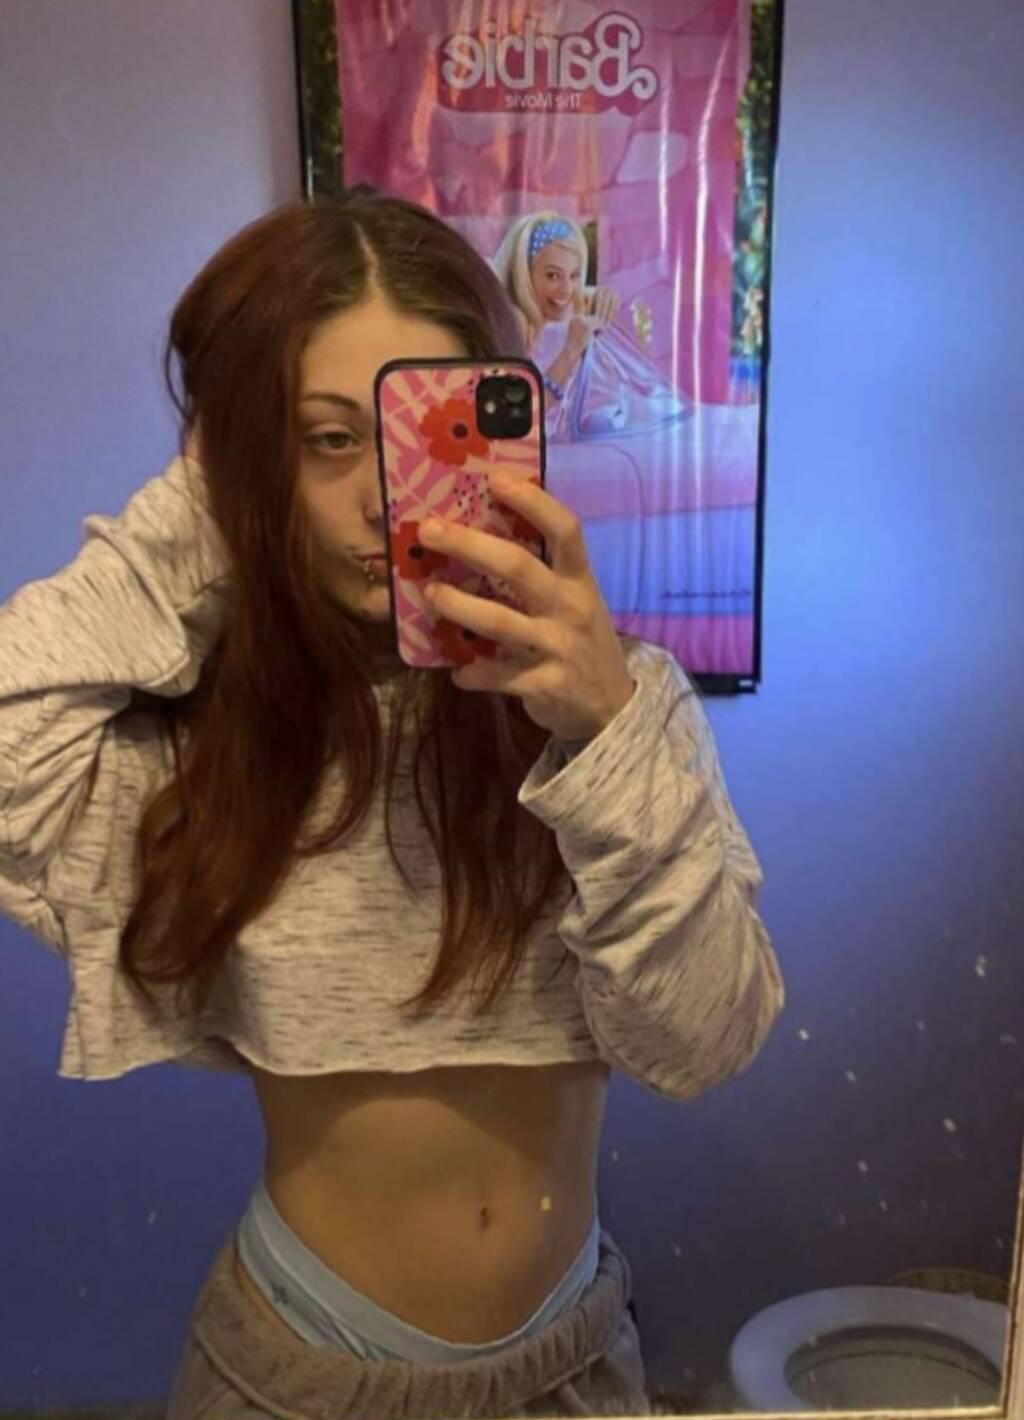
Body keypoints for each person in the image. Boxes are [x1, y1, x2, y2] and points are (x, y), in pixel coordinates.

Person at [0, 188, 784, 1418]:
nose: (380, 494)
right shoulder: (210, 742)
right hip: (298, 1373)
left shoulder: (618, 711)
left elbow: (703, 1041)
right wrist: (210, 495)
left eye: (425, 433)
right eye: (324, 439)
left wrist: (606, 731)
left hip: (574, 1367)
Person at [491, 211, 691, 444]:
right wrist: (570, 352)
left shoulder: (567, 312)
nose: (566, 289)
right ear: (524, 275)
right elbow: (518, 417)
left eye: (575, 275)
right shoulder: (513, 324)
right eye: (552, 276)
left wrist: (599, 298)